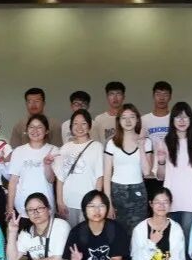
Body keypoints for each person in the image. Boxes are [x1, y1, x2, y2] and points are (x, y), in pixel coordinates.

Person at [155, 102, 192, 239]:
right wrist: (161, 160)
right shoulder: (165, 142)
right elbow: (161, 176)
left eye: (185, 117)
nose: (182, 120)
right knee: (173, 239)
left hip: (191, 198)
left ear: (191, 119)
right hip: (171, 199)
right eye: (178, 117)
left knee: (189, 238)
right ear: (172, 120)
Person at [104, 104, 152, 232]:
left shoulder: (146, 142)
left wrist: (141, 145)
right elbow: (107, 174)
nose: (128, 121)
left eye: (132, 117)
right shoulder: (112, 143)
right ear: (119, 121)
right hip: (117, 191)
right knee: (118, 231)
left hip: (138, 190)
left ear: (137, 119)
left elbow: (146, 171)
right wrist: (108, 202)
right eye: (124, 117)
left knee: (139, 231)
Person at [6, 114, 59, 220]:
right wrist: (10, 207)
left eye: (39, 127)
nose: (35, 130)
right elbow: (13, 181)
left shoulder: (54, 150)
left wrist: (47, 165)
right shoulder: (18, 151)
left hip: (45, 205)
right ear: (26, 130)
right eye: (31, 127)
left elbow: (51, 180)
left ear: (47, 131)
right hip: (22, 206)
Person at [55, 110, 104, 225]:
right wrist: (59, 201)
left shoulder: (97, 147)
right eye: (75, 123)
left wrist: (95, 202)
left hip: (88, 202)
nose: (79, 127)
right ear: (71, 126)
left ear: (89, 126)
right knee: (69, 232)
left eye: (84, 123)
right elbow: (60, 178)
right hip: (68, 202)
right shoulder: (65, 148)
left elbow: (100, 177)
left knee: (87, 233)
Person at [141, 81, 172, 198]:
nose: (162, 98)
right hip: (150, 173)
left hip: (171, 171)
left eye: (165, 94)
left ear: (170, 97)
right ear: (153, 96)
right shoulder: (144, 120)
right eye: (158, 94)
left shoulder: (174, 119)